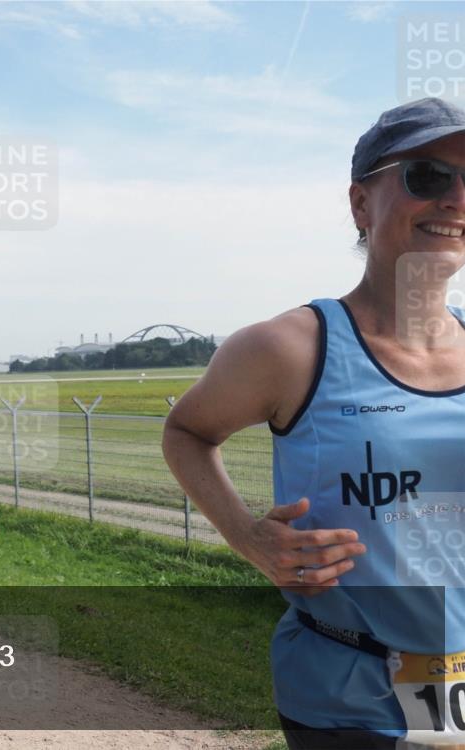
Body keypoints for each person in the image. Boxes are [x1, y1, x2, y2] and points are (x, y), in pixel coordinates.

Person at [163, 97, 465, 749]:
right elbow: (186, 432)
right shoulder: (289, 349)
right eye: (428, 175)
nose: (456, 199)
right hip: (348, 700)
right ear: (361, 203)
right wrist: (249, 537)